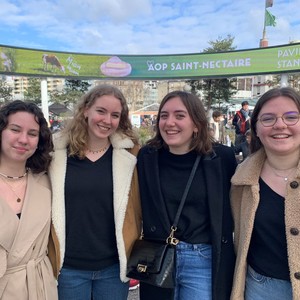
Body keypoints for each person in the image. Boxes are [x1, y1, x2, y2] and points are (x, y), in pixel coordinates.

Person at [137, 90, 236, 300]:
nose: (169, 122)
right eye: (164, 116)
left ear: (197, 124)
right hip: (157, 255)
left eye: (179, 116)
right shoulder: (147, 156)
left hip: (202, 258)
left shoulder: (221, 159)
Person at [49, 84, 141, 300]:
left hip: (112, 267)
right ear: (85, 110)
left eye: (115, 115)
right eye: (101, 111)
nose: (107, 120)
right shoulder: (56, 154)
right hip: (68, 267)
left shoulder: (132, 155)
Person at [230, 87, 300, 300]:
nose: (280, 125)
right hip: (260, 289)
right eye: (268, 118)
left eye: (291, 117)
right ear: (256, 129)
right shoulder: (241, 179)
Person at [0, 100, 58, 299]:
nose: (23, 140)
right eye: (15, 130)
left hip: (41, 287)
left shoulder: (47, 181)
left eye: (32, 134)